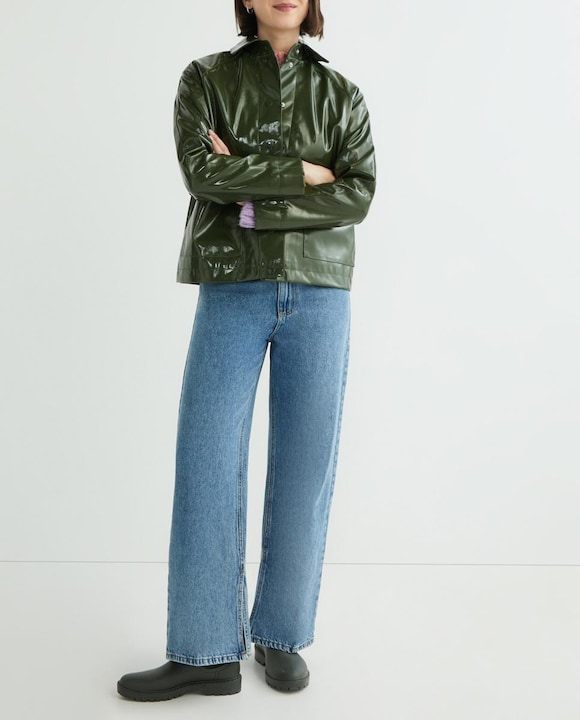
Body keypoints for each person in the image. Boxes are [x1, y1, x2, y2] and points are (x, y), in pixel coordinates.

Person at [117, 0, 375, 701]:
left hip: (321, 290)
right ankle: (205, 652)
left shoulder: (342, 94)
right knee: (207, 455)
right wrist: (307, 174)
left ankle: (281, 637)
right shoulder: (205, 78)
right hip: (232, 282)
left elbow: (358, 194)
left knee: (305, 464)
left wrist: (256, 193)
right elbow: (204, 174)